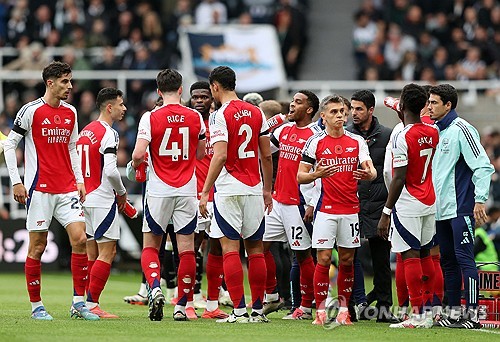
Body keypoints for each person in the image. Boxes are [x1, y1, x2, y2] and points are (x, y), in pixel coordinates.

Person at [3, 61, 99, 321]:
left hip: (67, 186)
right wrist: (16, 181)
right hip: (39, 188)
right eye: (65, 82)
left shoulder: (71, 112)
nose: (70, 87)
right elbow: (10, 145)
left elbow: (71, 148)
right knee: (37, 246)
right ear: (50, 83)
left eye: (70, 81)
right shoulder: (30, 111)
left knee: (80, 239)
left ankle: (79, 304)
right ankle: (37, 306)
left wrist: (79, 180)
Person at [199, 65, 273, 323]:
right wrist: (267, 188)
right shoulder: (257, 113)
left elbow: (219, 155)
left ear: (215, 87)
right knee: (255, 250)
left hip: (230, 188)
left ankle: (239, 310)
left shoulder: (220, 115)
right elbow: (266, 154)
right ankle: (259, 311)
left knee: (230, 248)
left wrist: (205, 190)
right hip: (254, 188)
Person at [132, 68, 206, 321]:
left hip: (159, 190)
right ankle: (182, 305)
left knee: (152, 245)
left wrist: (136, 166)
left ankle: (154, 288)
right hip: (187, 189)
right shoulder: (195, 116)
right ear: (182, 90)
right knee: (186, 249)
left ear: (158, 91)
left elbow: (139, 154)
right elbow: (201, 154)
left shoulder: (150, 117)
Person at [298, 94, 376, 326]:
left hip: (350, 210)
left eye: (343, 111)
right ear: (323, 116)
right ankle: (321, 311)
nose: (340, 115)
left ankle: (344, 310)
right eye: (334, 112)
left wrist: (369, 175)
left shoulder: (357, 141)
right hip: (325, 210)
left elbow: (370, 170)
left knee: (347, 260)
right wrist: (316, 175)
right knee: (322, 259)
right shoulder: (315, 142)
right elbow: (300, 176)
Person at [428, 83, 494, 329]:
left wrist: (479, 199)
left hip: (461, 207)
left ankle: (474, 314)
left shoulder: (462, 129)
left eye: (434, 102)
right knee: (447, 261)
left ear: (448, 105)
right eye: (428, 102)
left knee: (465, 259)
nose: (429, 107)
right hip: (440, 209)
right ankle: (454, 313)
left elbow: (483, 166)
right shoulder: (434, 131)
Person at [377, 83, 439, 329]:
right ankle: (429, 312)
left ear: (403, 107)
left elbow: (399, 177)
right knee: (426, 255)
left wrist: (386, 212)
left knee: (409, 256)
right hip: (429, 199)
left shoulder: (402, 135)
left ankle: (416, 316)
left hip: (409, 201)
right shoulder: (432, 131)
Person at [263, 90, 321, 320]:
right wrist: (273, 122)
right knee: (259, 247)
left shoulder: (316, 135)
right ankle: (271, 295)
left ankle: (306, 307)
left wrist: (311, 203)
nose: (292, 105)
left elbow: (319, 171)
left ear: (309, 109)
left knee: (303, 255)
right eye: (293, 101)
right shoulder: (283, 129)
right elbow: (265, 150)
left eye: (298, 102)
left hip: (298, 204)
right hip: (277, 201)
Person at [346, 89, 397, 323]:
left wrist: (389, 207)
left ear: (370, 110)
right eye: (352, 108)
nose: (353, 113)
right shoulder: (345, 136)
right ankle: (351, 306)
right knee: (349, 258)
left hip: (379, 206)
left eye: (358, 109)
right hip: (352, 204)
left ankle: (385, 309)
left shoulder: (387, 136)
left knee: (381, 261)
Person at [77, 87, 128, 319]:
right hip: (102, 196)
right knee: (108, 251)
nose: (124, 108)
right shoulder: (110, 133)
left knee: (90, 253)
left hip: (84, 197)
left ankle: (80, 303)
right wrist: (122, 192)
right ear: (109, 107)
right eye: (120, 104)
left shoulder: (85, 131)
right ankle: (92, 303)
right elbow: (110, 170)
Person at [190, 81, 229, 320]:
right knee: (189, 249)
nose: (199, 101)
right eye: (195, 97)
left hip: (220, 194)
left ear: (212, 98)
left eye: (204, 97)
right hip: (194, 195)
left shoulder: (220, 122)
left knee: (217, 250)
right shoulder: (188, 123)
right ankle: (186, 300)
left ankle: (212, 304)